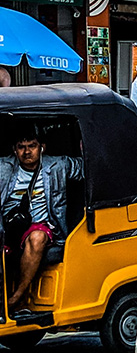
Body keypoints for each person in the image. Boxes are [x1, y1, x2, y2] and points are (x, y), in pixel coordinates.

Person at [1, 125, 83, 310]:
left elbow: (89, 168)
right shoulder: (3, 168)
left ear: (42, 147)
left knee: (38, 238)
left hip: (39, 226)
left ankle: (17, 298)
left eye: (32, 146)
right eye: (21, 147)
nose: (27, 151)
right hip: (8, 227)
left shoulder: (57, 166)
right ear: (15, 150)